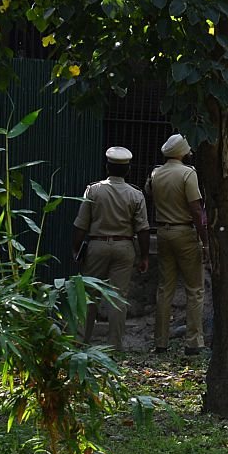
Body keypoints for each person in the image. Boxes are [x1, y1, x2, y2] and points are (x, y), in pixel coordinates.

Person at [71, 146, 150, 352]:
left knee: (89, 294)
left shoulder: (94, 190)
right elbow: (143, 228)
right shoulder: (136, 194)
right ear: (128, 170)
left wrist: (76, 248)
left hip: (96, 245)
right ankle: (114, 345)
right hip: (124, 246)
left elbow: (81, 224)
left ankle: (81, 341)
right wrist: (144, 256)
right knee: (117, 297)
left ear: (107, 167)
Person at [146, 133, 209, 356]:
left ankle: (160, 341)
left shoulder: (155, 173)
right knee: (195, 289)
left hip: (163, 230)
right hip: (185, 232)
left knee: (165, 288)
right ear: (183, 152)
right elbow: (196, 209)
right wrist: (205, 239)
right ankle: (193, 341)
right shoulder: (187, 174)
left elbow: (150, 195)